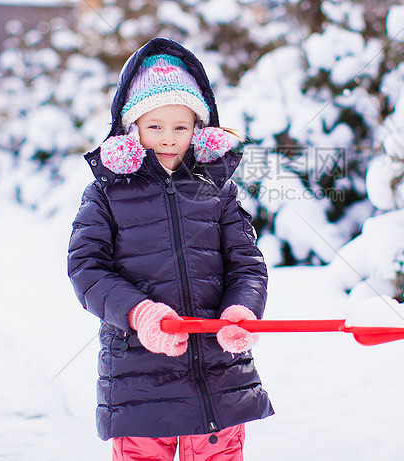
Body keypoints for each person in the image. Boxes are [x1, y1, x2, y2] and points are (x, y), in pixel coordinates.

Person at [67, 37, 273, 461]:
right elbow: (86, 269)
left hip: (218, 374)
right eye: (154, 126)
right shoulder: (107, 193)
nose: (168, 138)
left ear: (199, 128)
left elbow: (246, 265)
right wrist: (139, 313)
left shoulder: (218, 189)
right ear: (132, 127)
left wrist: (241, 312)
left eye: (181, 127)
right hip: (140, 376)